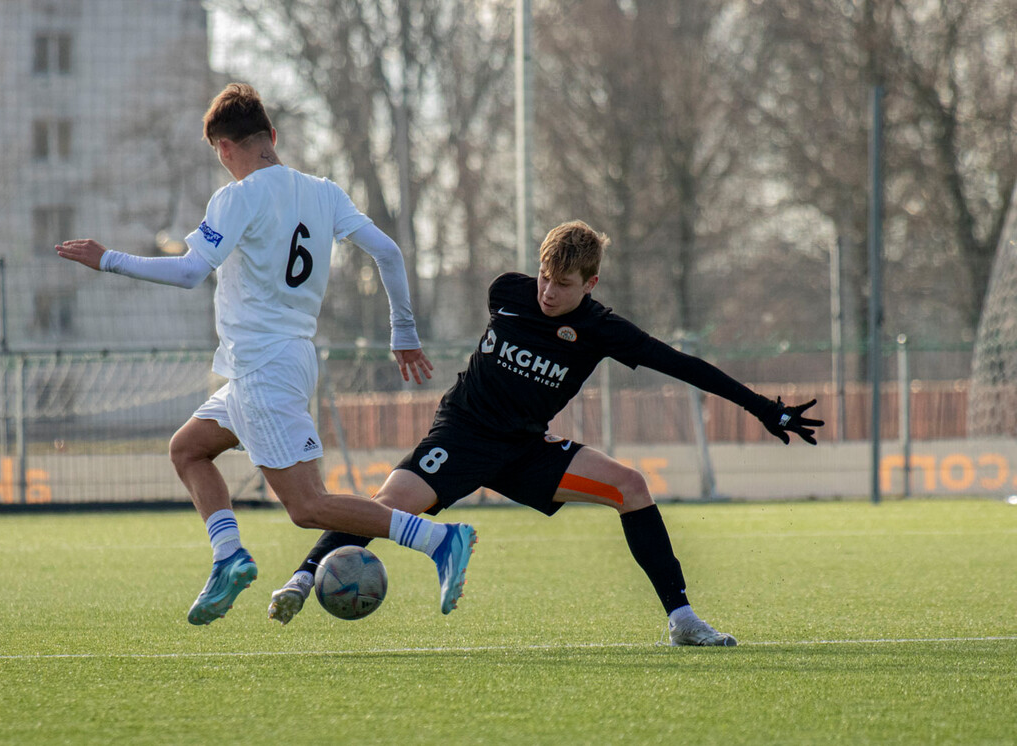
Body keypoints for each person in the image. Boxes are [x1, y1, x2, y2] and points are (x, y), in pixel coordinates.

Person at [267, 220, 823, 646]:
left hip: (525, 448)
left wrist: (761, 408)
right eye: (544, 277)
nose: (547, 292)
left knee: (631, 486)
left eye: (562, 284)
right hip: (461, 434)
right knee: (389, 505)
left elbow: (682, 365)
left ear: (591, 282)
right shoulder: (506, 292)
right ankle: (303, 576)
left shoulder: (603, 330)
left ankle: (681, 619)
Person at [56, 83, 476, 625]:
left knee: (308, 506)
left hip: (261, 368)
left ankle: (439, 539)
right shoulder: (323, 191)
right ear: (272, 137)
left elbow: (188, 272)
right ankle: (229, 557)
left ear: (225, 148)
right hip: (287, 360)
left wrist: (107, 258)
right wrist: (404, 332)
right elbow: (389, 252)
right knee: (188, 449)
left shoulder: (238, 195)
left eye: (218, 155)